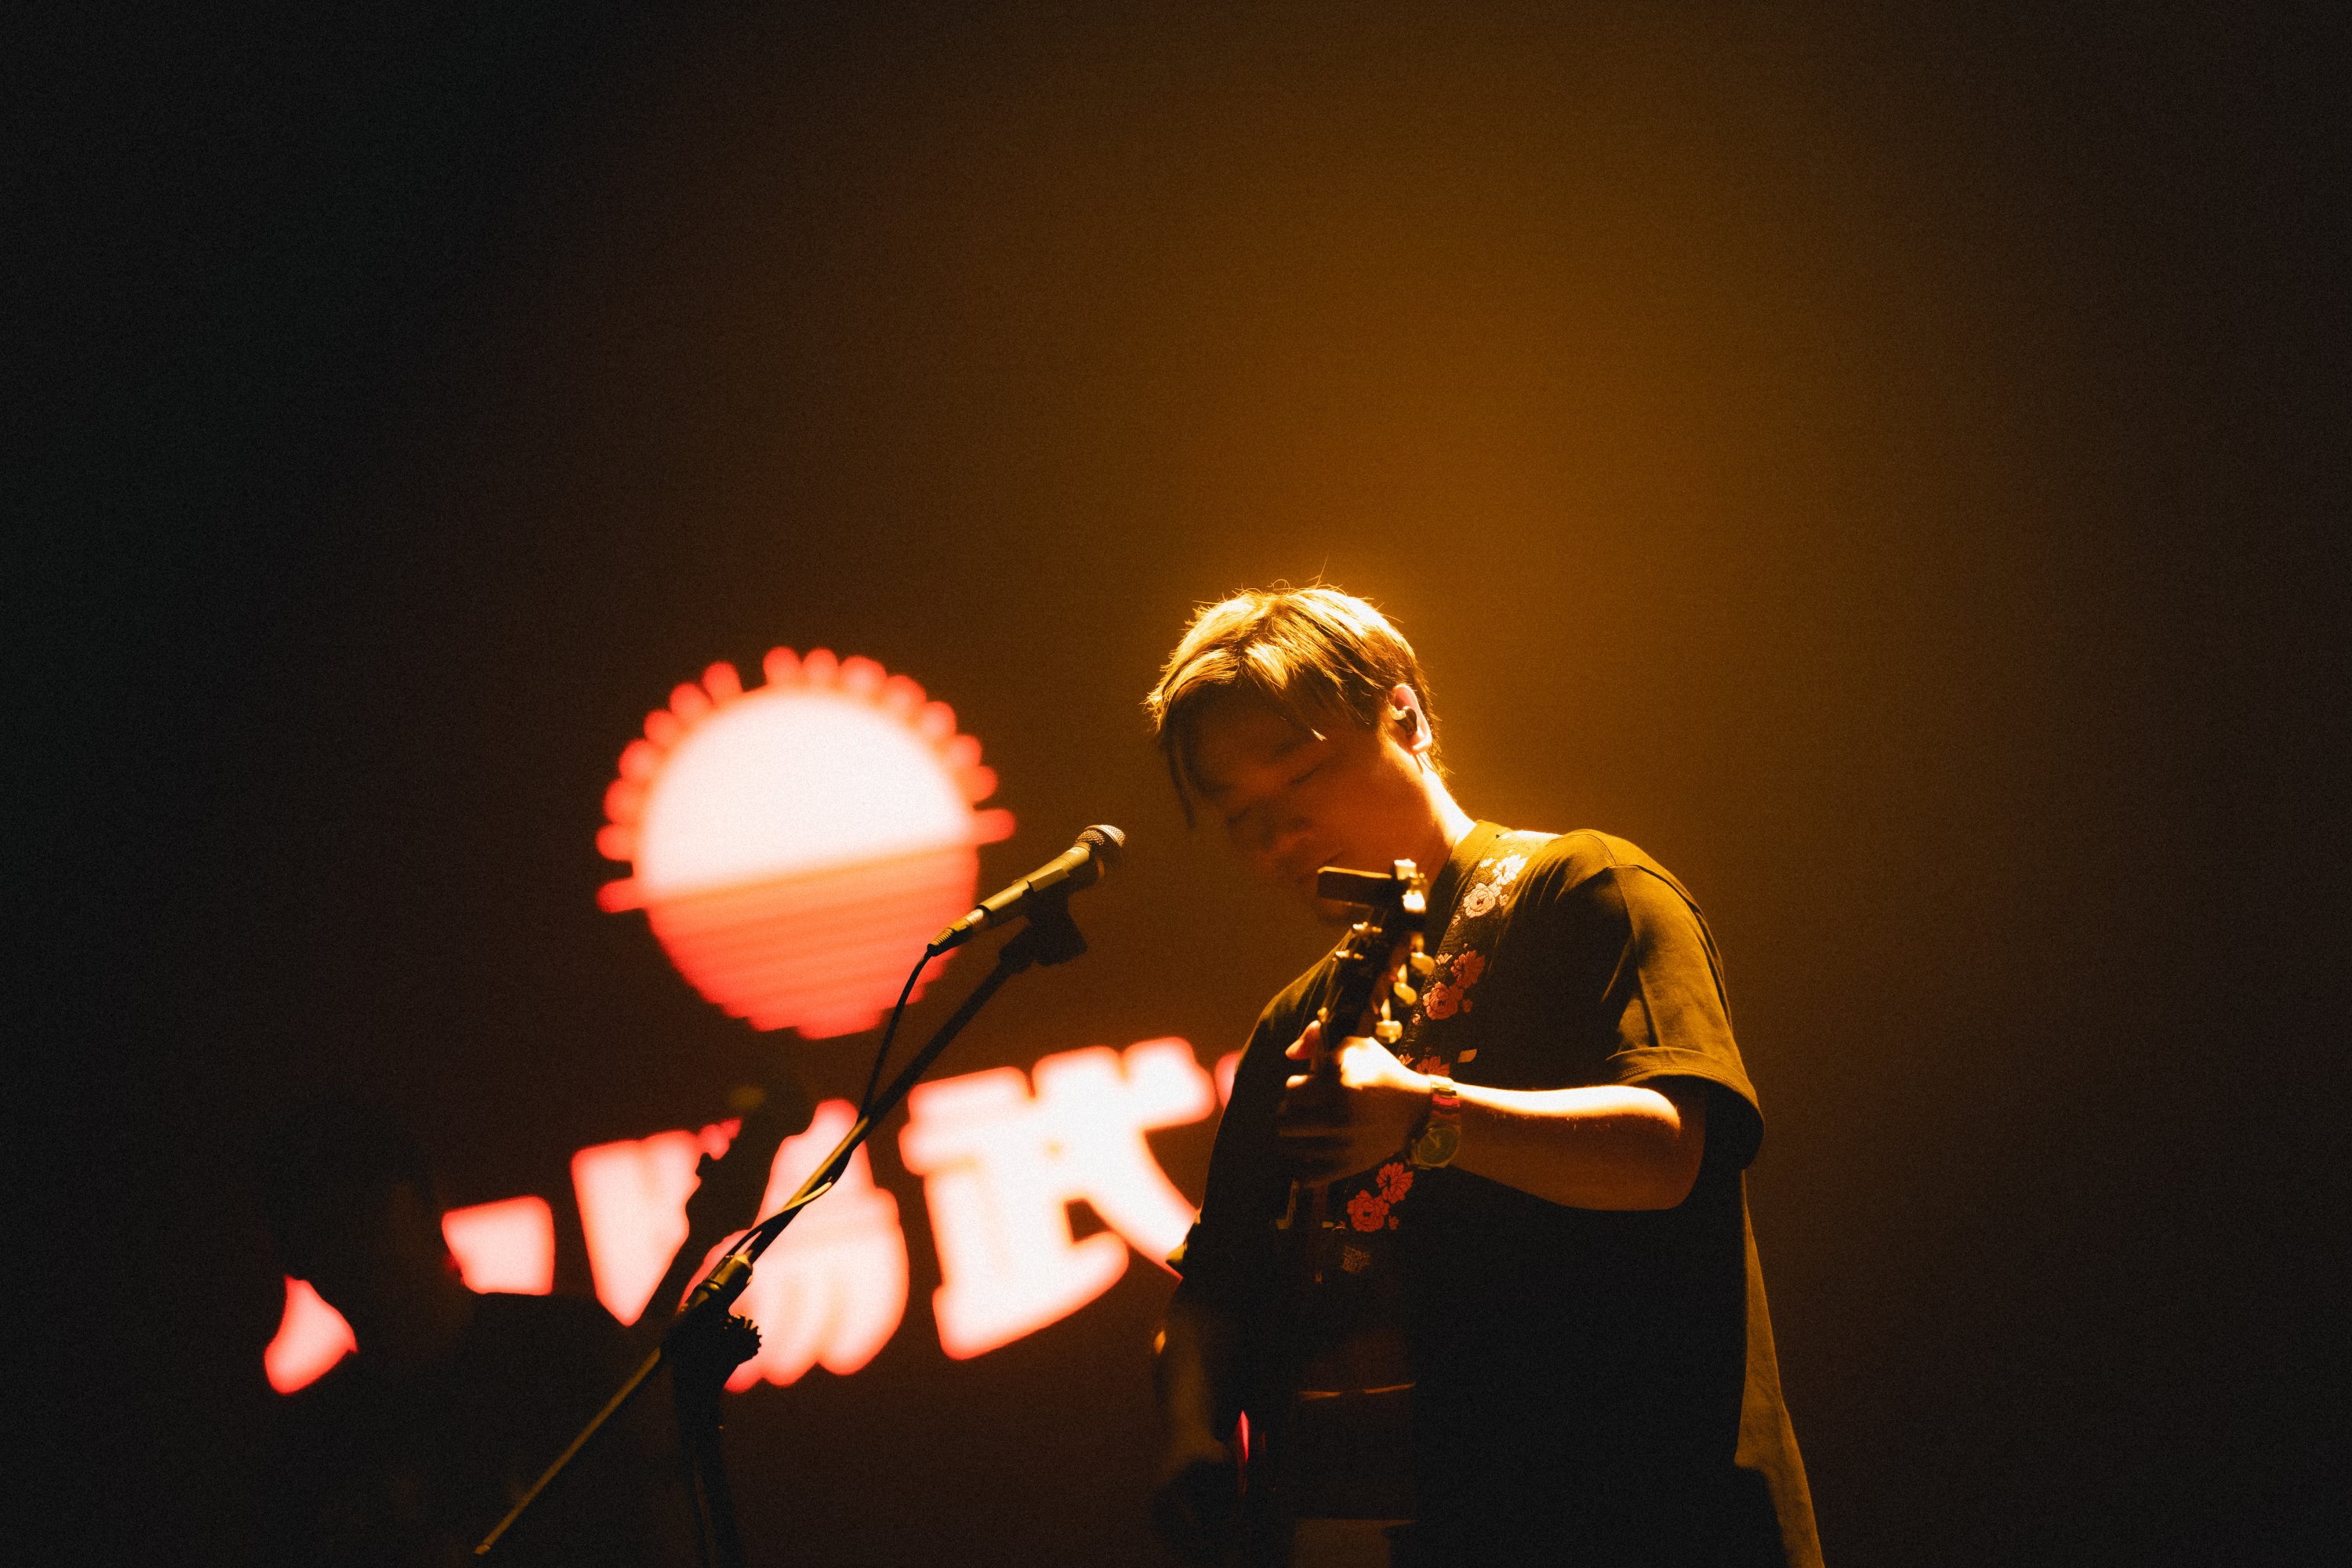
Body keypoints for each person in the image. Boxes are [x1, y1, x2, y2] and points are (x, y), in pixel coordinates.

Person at [1145, 587, 1823, 1567]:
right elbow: (1212, 1289)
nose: (1277, 835)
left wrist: (1426, 1113)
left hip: (1638, 1519)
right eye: (1240, 816)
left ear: (1405, 714)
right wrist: (1189, 1432)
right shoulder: (1291, 1022)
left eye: (1301, 776)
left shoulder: (1586, 886)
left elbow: (1668, 1151)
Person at [253, 1096, 695, 1568]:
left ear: (427, 1203)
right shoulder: (305, 1455)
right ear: (297, 1261)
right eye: (325, 1228)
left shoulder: (570, 1347)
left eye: (369, 1208)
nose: (357, 1244)